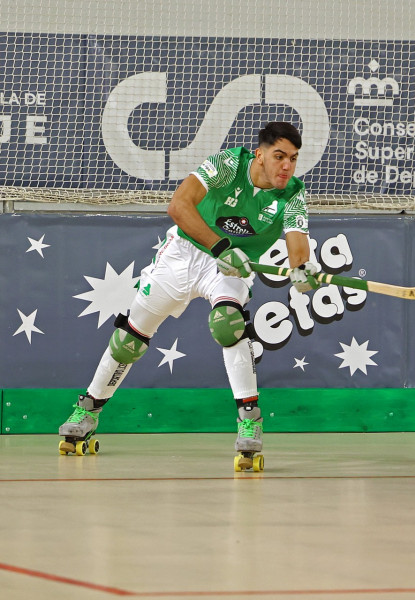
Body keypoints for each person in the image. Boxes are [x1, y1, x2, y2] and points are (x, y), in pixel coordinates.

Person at [58, 122, 321, 468]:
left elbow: (297, 248)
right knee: (129, 339)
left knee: (230, 325)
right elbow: (179, 206)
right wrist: (220, 246)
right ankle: (87, 410)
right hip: (185, 253)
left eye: (293, 159)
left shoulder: (293, 194)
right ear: (260, 155)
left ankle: (250, 421)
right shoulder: (229, 164)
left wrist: (303, 270)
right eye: (279, 156)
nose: (287, 166)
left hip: (230, 269)